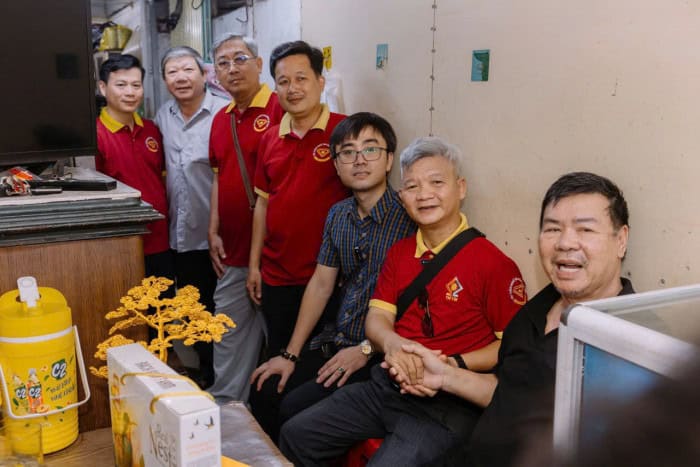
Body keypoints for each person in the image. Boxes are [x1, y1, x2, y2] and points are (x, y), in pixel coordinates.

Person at [279, 136, 527, 466]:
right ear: (402, 197)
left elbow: (510, 347)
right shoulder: (399, 253)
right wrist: (393, 345)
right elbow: (377, 319)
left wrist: (452, 364)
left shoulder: (493, 263)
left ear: (461, 188)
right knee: (296, 434)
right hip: (387, 387)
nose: (424, 194)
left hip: (447, 402)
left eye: (437, 182)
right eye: (412, 186)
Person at [398, 171, 634, 466]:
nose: (565, 243)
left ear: (621, 240)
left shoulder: (633, 345)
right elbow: (510, 390)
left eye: (585, 230)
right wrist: (445, 376)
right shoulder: (538, 307)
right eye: (552, 229)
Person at [249, 112, 416, 441]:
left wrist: (366, 349)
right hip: (336, 341)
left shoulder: (409, 219)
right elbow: (321, 285)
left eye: (371, 149)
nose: (359, 160)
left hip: (380, 354)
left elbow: (414, 306)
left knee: (294, 407)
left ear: (388, 160)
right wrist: (290, 354)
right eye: (348, 152)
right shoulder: (338, 215)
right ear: (337, 164)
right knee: (265, 388)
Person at [246, 40, 349, 364]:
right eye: (284, 81)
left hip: (329, 276)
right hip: (277, 276)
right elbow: (262, 205)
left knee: (318, 365)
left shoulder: (344, 131)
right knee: (278, 357)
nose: (293, 88)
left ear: (320, 81)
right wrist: (254, 266)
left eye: (301, 78)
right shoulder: (270, 138)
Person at [207, 34, 284, 403]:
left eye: (240, 58)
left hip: (277, 254)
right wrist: (213, 229)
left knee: (280, 340)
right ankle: (227, 413)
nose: (232, 68)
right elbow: (219, 176)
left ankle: (272, 418)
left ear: (259, 63)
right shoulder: (220, 120)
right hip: (233, 252)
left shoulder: (281, 107)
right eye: (223, 63)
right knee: (227, 336)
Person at [155, 46, 228, 388]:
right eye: (172, 72)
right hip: (179, 235)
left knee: (221, 312)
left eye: (187, 69)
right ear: (165, 80)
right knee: (191, 310)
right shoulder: (163, 116)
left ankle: (222, 380)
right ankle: (204, 375)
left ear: (204, 73)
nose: (181, 77)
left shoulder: (224, 112)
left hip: (218, 235)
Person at [95, 54, 174, 282]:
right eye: (121, 85)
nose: (130, 92)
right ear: (103, 88)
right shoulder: (96, 136)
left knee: (165, 302)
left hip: (160, 240)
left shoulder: (151, 129)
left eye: (136, 85)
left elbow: (162, 179)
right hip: (120, 243)